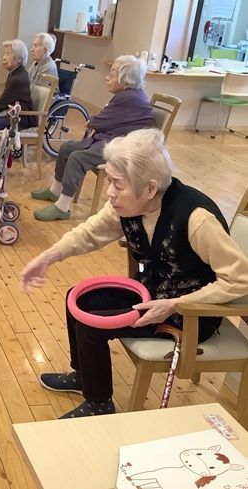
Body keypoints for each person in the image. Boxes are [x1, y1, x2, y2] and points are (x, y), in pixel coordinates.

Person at [20, 128, 248, 419]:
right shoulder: (127, 205)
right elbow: (89, 233)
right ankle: (84, 377)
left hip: (190, 314)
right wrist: (47, 258)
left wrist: (175, 304)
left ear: (150, 188)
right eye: (109, 181)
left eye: (117, 184)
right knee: (75, 299)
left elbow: (240, 278)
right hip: (150, 295)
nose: (109, 192)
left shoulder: (196, 219)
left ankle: (99, 404)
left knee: (91, 325)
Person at [31, 55, 155, 221]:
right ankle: (55, 190)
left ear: (126, 79)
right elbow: (108, 118)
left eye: (112, 73)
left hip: (122, 147)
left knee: (77, 157)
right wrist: (95, 122)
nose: (107, 77)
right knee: (67, 148)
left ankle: (62, 207)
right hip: (111, 139)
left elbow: (102, 120)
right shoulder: (128, 95)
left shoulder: (129, 97)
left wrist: (92, 122)